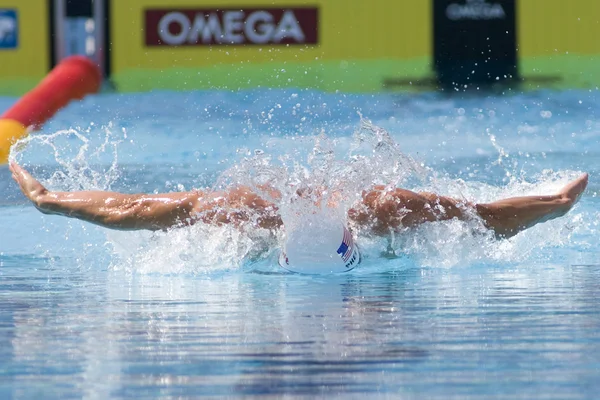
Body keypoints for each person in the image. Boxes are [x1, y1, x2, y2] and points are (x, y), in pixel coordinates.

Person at [9, 161, 588, 271]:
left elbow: (478, 215)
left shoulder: (380, 209)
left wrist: (553, 206)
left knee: (450, 213)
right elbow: (130, 209)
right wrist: (48, 201)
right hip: (266, 214)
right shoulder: (243, 215)